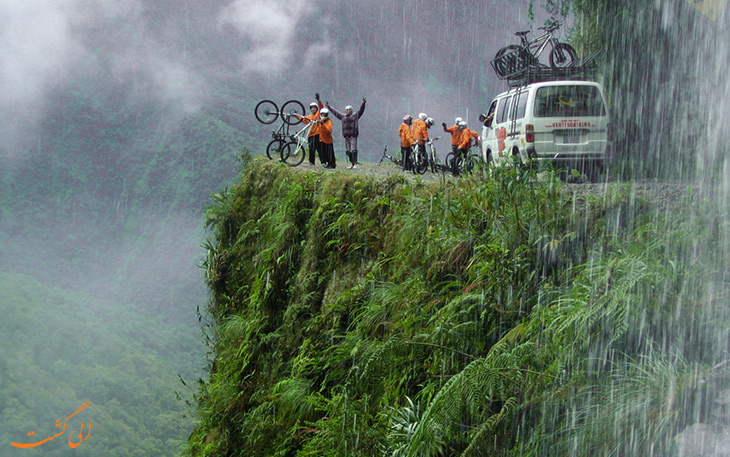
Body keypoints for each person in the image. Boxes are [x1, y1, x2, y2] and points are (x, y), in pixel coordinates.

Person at [326, 98, 367, 168]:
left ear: (351, 110)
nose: (348, 111)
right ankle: (352, 163)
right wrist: (329, 107)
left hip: (353, 135)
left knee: (353, 150)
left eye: (349, 110)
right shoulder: (343, 117)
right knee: (348, 151)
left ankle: (355, 164)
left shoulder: (355, 116)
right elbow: (336, 113)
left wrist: (363, 104)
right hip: (346, 136)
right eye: (347, 110)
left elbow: (361, 111)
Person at [294, 93, 324, 165]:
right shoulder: (309, 116)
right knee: (311, 149)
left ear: (316, 108)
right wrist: (296, 115)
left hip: (318, 134)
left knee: (320, 149)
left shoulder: (319, 114)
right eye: (311, 108)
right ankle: (311, 162)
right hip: (311, 135)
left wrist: (318, 100)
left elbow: (321, 107)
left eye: (314, 107)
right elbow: (303, 119)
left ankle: (323, 162)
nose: (313, 109)